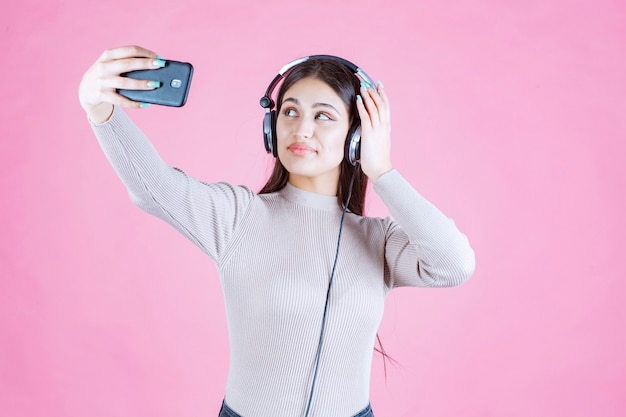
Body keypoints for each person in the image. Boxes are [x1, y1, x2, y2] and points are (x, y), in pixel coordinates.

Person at [79, 45, 475, 417]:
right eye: (289, 111)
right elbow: (155, 189)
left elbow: (454, 264)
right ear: (271, 125)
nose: (301, 129)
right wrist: (99, 109)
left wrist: (383, 172)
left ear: (357, 136)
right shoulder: (239, 216)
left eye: (323, 115)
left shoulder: (381, 241)